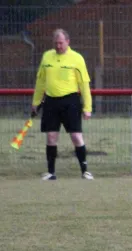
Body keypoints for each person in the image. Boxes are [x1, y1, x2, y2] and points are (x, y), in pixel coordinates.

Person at [32, 29, 94, 180]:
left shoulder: (77, 58)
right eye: (56, 43)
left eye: (61, 43)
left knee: (76, 136)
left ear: (68, 42)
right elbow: (41, 81)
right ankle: (51, 172)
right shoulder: (47, 57)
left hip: (70, 101)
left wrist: (87, 108)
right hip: (51, 102)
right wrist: (36, 101)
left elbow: (84, 84)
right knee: (51, 136)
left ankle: (85, 170)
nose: (58, 46)